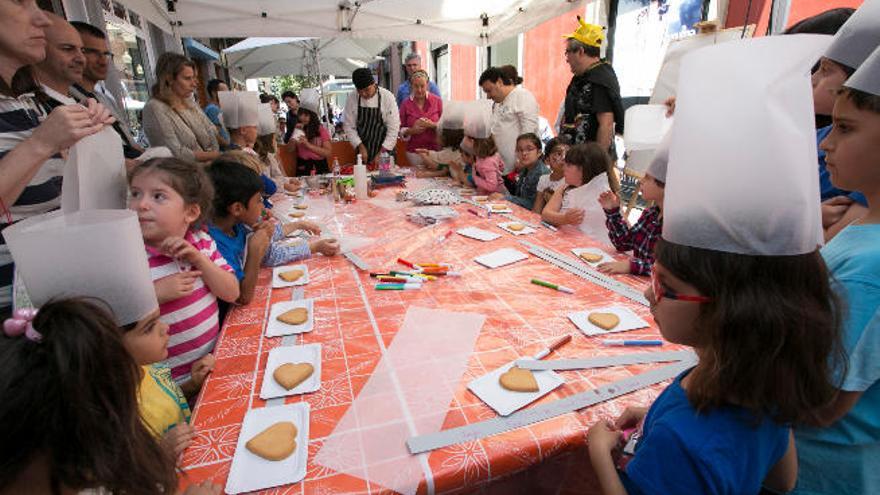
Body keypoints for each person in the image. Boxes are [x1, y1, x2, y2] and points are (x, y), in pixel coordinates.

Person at [586, 35, 844, 495]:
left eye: (664, 285)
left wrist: (600, 455)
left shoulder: (683, 435)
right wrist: (655, 421)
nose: (648, 291)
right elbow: (783, 481)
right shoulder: (759, 388)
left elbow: (696, 447)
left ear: (729, 308)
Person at [792, 45, 880, 495]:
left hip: (818, 473)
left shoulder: (871, 266)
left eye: (844, 129)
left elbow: (822, 404)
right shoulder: (861, 223)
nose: (825, 142)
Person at [0, 1, 113, 317]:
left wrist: (87, 143)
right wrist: (41, 143)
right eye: (21, 2)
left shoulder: (23, 99)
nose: (40, 19)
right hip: (13, 318)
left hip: (50, 296)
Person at [128, 158, 239, 384]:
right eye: (135, 194)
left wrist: (200, 260)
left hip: (211, 361)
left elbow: (231, 292)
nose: (141, 204)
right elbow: (114, 320)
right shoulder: (131, 256)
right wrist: (154, 294)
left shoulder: (201, 242)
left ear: (190, 212)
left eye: (158, 196)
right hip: (167, 385)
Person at [206, 160, 339, 305]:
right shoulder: (214, 244)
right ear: (237, 208)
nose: (263, 206)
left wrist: (298, 226)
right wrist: (255, 252)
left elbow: (270, 241)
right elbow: (242, 297)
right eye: (258, 201)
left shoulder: (238, 226)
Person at [805, 2, 878, 241]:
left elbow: (829, 241)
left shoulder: (865, 176)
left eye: (826, 70)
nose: (812, 80)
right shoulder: (813, 136)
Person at [69, 21, 144, 159]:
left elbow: (128, 142)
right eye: (93, 53)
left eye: (106, 54)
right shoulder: (68, 103)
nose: (103, 61)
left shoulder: (103, 98)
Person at [597, 137, 666, 276]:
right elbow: (623, 243)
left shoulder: (675, 227)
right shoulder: (651, 214)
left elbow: (668, 271)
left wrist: (631, 265)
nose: (640, 180)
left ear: (665, 186)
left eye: (647, 177)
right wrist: (613, 212)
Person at [561, 16, 624, 155]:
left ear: (581, 52)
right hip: (578, 155)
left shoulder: (599, 79)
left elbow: (606, 124)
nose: (566, 59)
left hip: (590, 161)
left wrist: (597, 164)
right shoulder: (583, 78)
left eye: (568, 53)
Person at [142, 53, 220, 163]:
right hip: (187, 175)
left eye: (194, 78)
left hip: (212, 168)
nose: (194, 83)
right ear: (169, 79)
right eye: (187, 78)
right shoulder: (155, 108)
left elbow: (211, 129)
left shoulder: (189, 102)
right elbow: (175, 153)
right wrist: (217, 155)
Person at [479, 66, 539, 176]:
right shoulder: (498, 103)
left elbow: (529, 131)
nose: (488, 96)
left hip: (518, 168)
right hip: (501, 167)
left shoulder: (522, 96)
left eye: (489, 91)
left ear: (500, 82)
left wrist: (522, 160)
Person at [541, 143, 618, 227]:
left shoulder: (606, 196)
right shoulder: (564, 188)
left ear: (585, 169)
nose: (564, 168)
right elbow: (546, 214)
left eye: (569, 165)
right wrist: (564, 219)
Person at [343, 67, 400, 167]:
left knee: (386, 180)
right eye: (360, 91)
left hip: (386, 149)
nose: (364, 94)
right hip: (362, 151)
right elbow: (348, 126)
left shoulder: (387, 97)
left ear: (374, 83)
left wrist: (382, 152)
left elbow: (393, 128)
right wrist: (360, 146)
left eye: (367, 90)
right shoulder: (352, 98)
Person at [32, 13, 84, 107]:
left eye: (82, 50)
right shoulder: (30, 110)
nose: (82, 59)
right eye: (68, 49)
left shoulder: (84, 100)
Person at [399, 70, 442, 167]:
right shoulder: (405, 104)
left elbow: (445, 125)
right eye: (416, 86)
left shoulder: (437, 101)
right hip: (414, 152)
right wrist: (412, 130)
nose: (419, 90)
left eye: (422, 86)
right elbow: (400, 129)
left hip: (434, 151)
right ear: (411, 86)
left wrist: (433, 125)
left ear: (427, 85)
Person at [497, 133, 548, 210]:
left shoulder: (541, 174)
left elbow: (532, 204)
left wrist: (506, 198)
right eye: (520, 150)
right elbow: (520, 197)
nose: (524, 153)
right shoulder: (525, 169)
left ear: (539, 152)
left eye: (529, 149)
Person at [291, 88, 332, 175]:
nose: (302, 118)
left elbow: (328, 153)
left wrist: (308, 145)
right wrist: (295, 134)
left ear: (313, 116)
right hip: (303, 166)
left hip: (320, 167)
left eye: (306, 115)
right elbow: (290, 149)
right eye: (300, 114)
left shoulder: (320, 129)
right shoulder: (298, 128)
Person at [533, 136, 570, 213]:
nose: (564, 158)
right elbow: (537, 209)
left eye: (568, 154)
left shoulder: (571, 182)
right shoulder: (543, 179)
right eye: (559, 154)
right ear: (547, 160)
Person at [203, 79, 230, 149]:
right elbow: (216, 135)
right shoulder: (213, 109)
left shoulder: (217, 108)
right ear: (214, 93)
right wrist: (230, 146)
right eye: (224, 92)